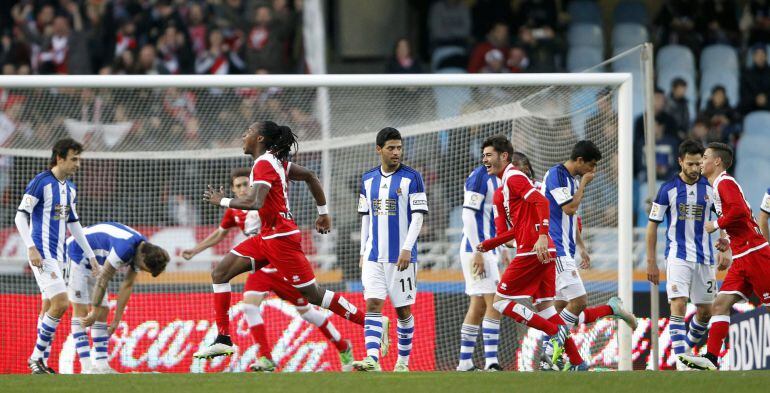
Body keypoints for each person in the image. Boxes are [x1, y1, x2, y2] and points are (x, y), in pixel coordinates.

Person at [193, 121, 365, 360]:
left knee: (313, 296)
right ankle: (223, 339)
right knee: (220, 274)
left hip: (281, 239)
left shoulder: (264, 163)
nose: (244, 135)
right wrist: (323, 213)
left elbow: (256, 202)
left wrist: (221, 200)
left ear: (260, 138)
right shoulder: (276, 162)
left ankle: (369, 324)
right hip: (267, 237)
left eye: (249, 131)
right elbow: (309, 176)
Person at [182, 168, 354, 372]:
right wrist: (195, 250)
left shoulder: (263, 202)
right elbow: (220, 234)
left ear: (253, 185)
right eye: (238, 186)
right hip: (261, 269)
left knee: (308, 313)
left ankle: (343, 346)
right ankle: (266, 358)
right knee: (249, 306)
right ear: (233, 190)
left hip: (282, 268)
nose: (243, 189)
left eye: (246, 184)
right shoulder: (234, 211)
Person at [475, 136, 580, 371]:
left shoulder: (513, 177)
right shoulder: (503, 190)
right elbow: (513, 231)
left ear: (504, 156)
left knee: (501, 302)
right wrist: (488, 244)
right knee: (547, 309)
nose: (485, 160)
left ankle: (554, 332)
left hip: (534, 249)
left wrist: (542, 234)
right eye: (483, 156)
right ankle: (578, 362)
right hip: (542, 249)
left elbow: (541, 201)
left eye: (489, 155)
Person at [541, 141, 637, 369]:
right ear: (580, 161)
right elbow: (569, 209)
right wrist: (583, 184)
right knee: (579, 301)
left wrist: (581, 246)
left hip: (567, 248)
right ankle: (550, 353)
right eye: (591, 166)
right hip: (556, 250)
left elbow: (571, 219)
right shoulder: (556, 175)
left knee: (558, 309)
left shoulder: (571, 180)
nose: (592, 171)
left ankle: (558, 360)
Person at [679, 143, 770, 370]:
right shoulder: (719, 185)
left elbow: (739, 211)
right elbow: (742, 218)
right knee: (719, 306)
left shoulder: (724, 182)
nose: (701, 162)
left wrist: (716, 224)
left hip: (754, 253)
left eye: (705, 157)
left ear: (717, 161)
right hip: (742, 256)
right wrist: (727, 240)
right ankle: (711, 358)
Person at [14, 138, 98, 374]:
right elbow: (20, 216)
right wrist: (31, 247)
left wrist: (90, 255)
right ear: (59, 158)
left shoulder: (70, 188)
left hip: (60, 255)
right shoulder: (41, 182)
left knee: (49, 304)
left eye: (79, 159)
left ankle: (41, 364)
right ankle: (35, 358)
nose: (78, 164)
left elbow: (74, 223)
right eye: (74, 159)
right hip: (42, 253)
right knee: (62, 302)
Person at [645, 140, 728, 370]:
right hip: (677, 256)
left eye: (698, 164)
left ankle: (686, 350)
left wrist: (725, 242)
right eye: (690, 164)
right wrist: (651, 262)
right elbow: (652, 226)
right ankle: (683, 363)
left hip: (705, 258)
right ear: (680, 161)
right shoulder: (668, 189)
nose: (694, 169)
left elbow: (724, 216)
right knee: (679, 305)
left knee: (706, 312)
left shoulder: (710, 189)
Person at [351, 128, 428, 372]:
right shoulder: (367, 179)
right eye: (391, 148)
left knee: (402, 310)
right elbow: (365, 218)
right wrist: (363, 251)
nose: (396, 152)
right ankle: (372, 360)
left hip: (401, 257)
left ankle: (403, 362)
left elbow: (418, 218)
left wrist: (407, 249)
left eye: (399, 147)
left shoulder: (412, 177)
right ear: (379, 150)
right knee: (373, 303)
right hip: (374, 255)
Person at [70, 222, 169, 374]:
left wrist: (116, 320)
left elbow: (127, 285)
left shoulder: (141, 250)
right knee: (82, 310)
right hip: (76, 254)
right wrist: (94, 311)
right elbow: (103, 280)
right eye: (143, 268)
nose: (141, 270)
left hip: (95, 262)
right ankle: (87, 367)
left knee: (103, 310)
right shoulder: (124, 249)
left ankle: (102, 366)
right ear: (142, 259)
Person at [456, 161, 506, 372]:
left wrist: (502, 248)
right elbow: (467, 215)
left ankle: (465, 363)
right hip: (477, 250)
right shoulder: (479, 176)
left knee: (478, 305)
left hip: (488, 249)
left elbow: (495, 219)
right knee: (496, 301)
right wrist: (478, 252)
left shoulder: (499, 179)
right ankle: (491, 362)